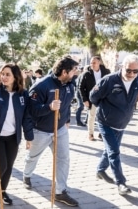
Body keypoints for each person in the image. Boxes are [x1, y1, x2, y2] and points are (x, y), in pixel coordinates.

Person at [23, 57, 79, 207]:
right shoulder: (41, 86)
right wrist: (49, 107)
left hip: (60, 129)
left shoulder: (70, 84)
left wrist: (66, 120)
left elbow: (66, 104)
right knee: (33, 157)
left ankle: (61, 191)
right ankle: (27, 175)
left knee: (63, 158)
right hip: (41, 130)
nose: (76, 73)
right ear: (64, 71)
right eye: (73, 70)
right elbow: (31, 110)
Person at [90, 54, 138, 195]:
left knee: (110, 150)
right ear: (122, 67)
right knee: (114, 152)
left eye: (135, 71)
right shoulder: (108, 80)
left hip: (122, 122)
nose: (131, 74)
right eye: (128, 70)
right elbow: (93, 97)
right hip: (105, 122)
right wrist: (107, 110)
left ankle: (100, 170)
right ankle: (121, 183)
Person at [0, 64, 34, 205]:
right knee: (2, 165)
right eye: (2, 74)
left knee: (9, 166)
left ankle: (2, 191)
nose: (4, 77)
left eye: (7, 74)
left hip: (13, 136)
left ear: (15, 77)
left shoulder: (23, 94)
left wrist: (29, 137)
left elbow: (26, 117)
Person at [78, 56, 110, 141]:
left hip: (104, 99)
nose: (92, 64)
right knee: (91, 116)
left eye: (94, 62)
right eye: (91, 62)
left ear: (99, 63)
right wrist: (84, 99)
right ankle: (90, 134)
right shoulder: (86, 74)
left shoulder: (106, 72)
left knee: (103, 117)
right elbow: (81, 87)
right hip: (92, 99)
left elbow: (110, 85)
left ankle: (101, 133)